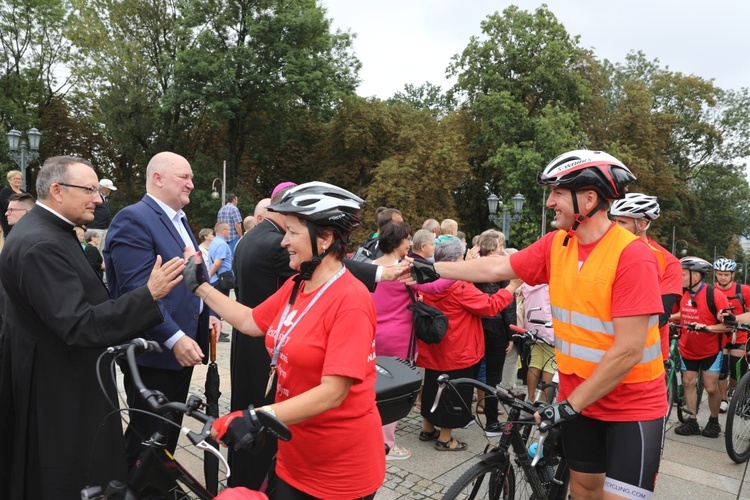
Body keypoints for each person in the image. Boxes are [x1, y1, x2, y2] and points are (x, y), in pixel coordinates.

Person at [407, 150, 666, 499]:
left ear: (589, 199)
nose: (550, 202)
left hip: (631, 406)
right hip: (578, 397)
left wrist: (569, 406)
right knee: (585, 489)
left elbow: (629, 350)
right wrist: (432, 269)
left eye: (558, 192)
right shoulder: (558, 243)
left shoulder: (632, 256)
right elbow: (498, 268)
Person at [0, 155, 185, 500]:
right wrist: (149, 294)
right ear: (57, 190)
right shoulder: (42, 243)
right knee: (68, 476)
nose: (98, 199)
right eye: (89, 190)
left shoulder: (49, 231)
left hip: (58, 378)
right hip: (60, 390)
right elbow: (79, 324)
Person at [188, 181, 385, 499]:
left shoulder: (351, 300)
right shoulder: (298, 284)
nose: (283, 242)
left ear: (325, 237)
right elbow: (251, 321)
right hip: (294, 453)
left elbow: (334, 392)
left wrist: (255, 417)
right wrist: (200, 287)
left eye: (292, 232)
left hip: (338, 468)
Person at [104, 151, 221, 469]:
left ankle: (159, 485)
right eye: (184, 177)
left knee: (166, 433)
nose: (192, 185)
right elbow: (137, 291)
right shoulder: (134, 219)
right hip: (155, 351)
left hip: (183, 347)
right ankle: (130, 487)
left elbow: (195, 273)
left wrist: (210, 313)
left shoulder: (178, 218)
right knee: (147, 435)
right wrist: (173, 337)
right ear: (157, 178)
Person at [418, 238, 520, 451]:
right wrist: (511, 287)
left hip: (434, 345)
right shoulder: (459, 286)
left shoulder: (427, 281)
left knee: (431, 386)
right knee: (454, 391)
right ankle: (445, 439)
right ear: (456, 260)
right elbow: (490, 306)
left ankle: (428, 428)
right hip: (458, 348)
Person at [610, 193, 682, 362]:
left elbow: (662, 316)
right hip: (604, 345)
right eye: (614, 221)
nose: (615, 226)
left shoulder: (669, 262)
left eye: (622, 222)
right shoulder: (606, 251)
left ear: (641, 224)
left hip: (647, 352)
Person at [672, 256, 731, 437]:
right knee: (689, 383)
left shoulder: (715, 295)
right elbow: (685, 311)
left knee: (711, 388)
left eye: (683, 274)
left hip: (710, 350)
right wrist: (669, 318)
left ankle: (714, 422)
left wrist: (708, 328)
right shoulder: (682, 292)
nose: (679, 277)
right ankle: (692, 420)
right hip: (688, 347)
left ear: (696, 276)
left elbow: (728, 325)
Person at [712, 258, 750, 410]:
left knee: (736, 368)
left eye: (726, 274)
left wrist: (735, 319)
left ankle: (733, 390)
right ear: (715, 274)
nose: (723, 277)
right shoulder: (710, 290)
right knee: (721, 369)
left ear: (732, 275)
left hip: (739, 333)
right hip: (719, 334)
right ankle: (723, 399)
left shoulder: (743, 290)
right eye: (720, 274)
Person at [87, 178, 117, 249]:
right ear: (103, 188)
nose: (109, 191)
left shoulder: (104, 198)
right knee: (95, 248)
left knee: (103, 249)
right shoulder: (94, 196)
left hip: (104, 228)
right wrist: (86, 223)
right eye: (108, 189)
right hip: (95, 228)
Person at [208, 221, 234, 296]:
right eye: (228, 230)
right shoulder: (222, 244)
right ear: (223, 230)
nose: (229, 232)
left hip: (215, 278)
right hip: (221, 280)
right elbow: (217, 263)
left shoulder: (213, 242)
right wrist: (209, 274)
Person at [0, 170, 24, 238]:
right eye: (15, 178)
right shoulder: (5, 191)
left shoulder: (23, 192)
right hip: (10, 223)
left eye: (19, 179)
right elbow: (8, 206)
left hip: (23, 222)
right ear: (9, 180)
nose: (18, 180)